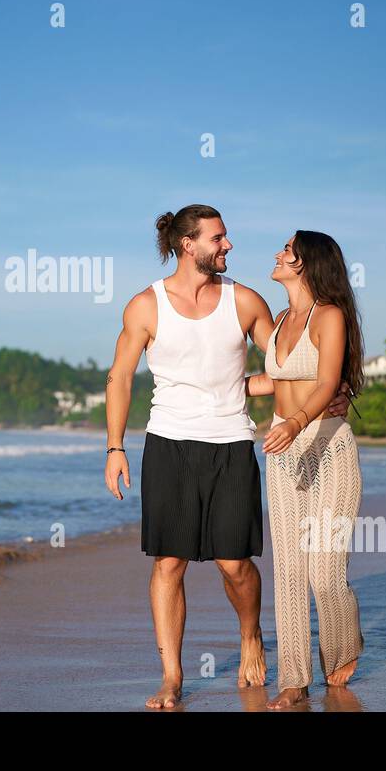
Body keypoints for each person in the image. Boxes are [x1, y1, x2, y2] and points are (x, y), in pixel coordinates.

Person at [103, 206, 349, 709]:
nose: (229, 245)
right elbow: (119, 376)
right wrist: (115, 447)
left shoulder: (245, 301)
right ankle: (172, 677)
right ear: (188, 244)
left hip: (232, 442)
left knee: (234, 564)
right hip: (168, 442)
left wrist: (334, 390)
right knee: (168, 562)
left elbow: (288, 361)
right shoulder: (146, 306)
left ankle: (250, 633)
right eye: (218, 238)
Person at [247, 230, 366, 709]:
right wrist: (213, 385)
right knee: (289, 570)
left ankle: (343, 643)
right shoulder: (279, 322)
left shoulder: (329, 315)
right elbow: (272, 381)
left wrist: (296, 422)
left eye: (288, 250)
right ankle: (294, 680)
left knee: (324, 569)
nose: (278, 254)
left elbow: (328, 381)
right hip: (284, 451)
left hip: (328, 446)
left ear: (307, 263)